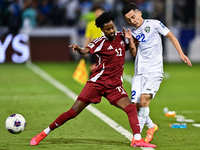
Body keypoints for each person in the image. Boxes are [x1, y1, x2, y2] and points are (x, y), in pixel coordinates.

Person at [30, 11, 156, 148]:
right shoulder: (99, 42)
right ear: (102, 30)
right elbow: (85, 51)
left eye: (112, 27)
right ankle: (43, 133)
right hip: (97, 83)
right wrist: (78, 49)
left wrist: (132, 38)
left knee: (131, 108)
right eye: (108, 29)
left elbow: (133, 45)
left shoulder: (121, 36)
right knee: (73, 112)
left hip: (114, 86)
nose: (111, 31)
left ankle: (137, 139)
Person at [121, 2, 192, 144]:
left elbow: (170, 36)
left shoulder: (154, 24)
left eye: (133, 17)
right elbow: (134, 53)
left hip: (154, 71)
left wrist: (181, 53)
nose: (132, 21)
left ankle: (137, 138)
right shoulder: (133, 33)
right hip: (139, 73)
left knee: (144, 99)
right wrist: (130, 40)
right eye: (128, 20)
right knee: (135, 106)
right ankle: (152, 126)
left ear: (140, 13)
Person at [84, 5, 104, 77]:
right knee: (93, 67)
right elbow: (88, 37)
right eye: (96, 11)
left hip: (105, 48)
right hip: (95, 48)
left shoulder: (108, 23)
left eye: (99, 11)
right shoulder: (91, 24)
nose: (98, 13)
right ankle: (91, 83)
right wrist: (85, 49)